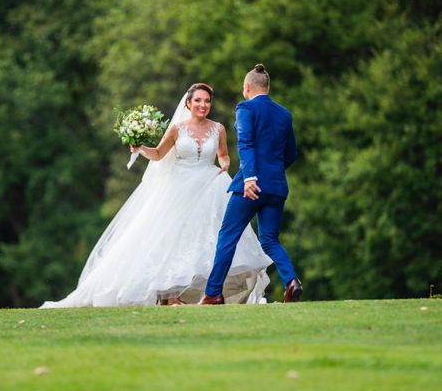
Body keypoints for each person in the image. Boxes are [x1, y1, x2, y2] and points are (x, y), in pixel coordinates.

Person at [40, 83, 271, 308]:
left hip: (209, 184)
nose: (203, 104)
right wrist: (139, 147)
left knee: (205, 236)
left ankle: (203, 292)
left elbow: (223, 155)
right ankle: (169, 295)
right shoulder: (177, 129)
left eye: (207, 101)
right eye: (198, 100)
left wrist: (224, 164)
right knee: (171, 237)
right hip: (179, 187)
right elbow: (159, 154)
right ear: (188, 103)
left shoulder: (218, 128)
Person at [199, 64, 302, 305]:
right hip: (276, 186)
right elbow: (291, 154)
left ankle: (213, 293)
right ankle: (292, 281)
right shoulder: (284, 114)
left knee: (228, 236)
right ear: (267, 87)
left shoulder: (245, 107)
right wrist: (272, 172)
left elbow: (245, 143)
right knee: (270, 239)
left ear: (247, 87)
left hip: (251, 186)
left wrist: (251, 178)